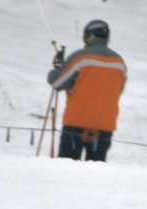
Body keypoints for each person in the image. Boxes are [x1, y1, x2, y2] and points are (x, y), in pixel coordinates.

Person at [47, 19, 127, 162]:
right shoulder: (119, 62)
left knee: (67, 168)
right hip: (105, 124)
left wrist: (57, 69)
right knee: (95, 173)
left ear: (89, 36)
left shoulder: (81, 57)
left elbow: (58, 82)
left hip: (76, 122)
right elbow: (119, 90)